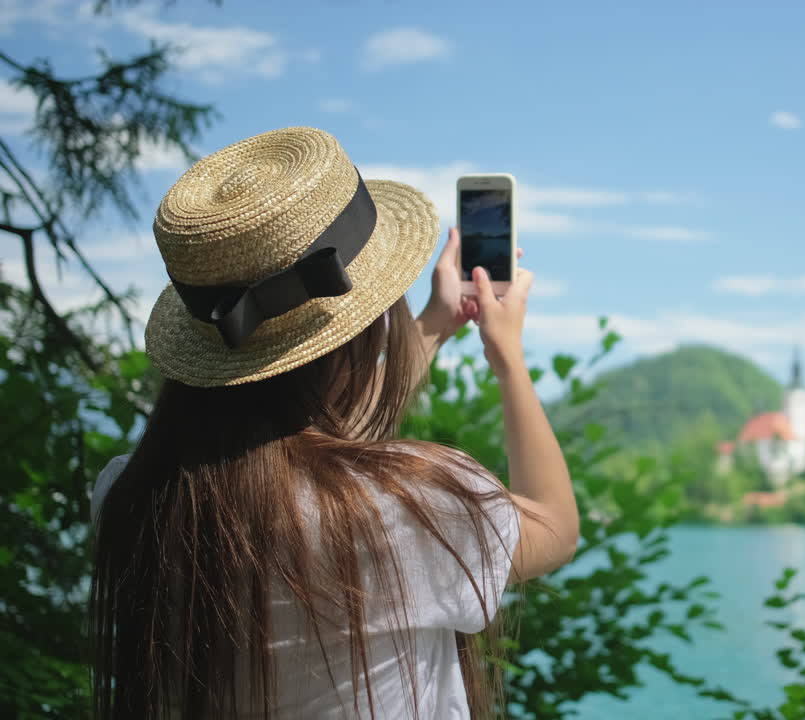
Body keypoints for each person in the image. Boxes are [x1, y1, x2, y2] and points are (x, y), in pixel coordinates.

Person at [89, 127, 579, 720]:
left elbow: (299, 435)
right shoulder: (414, 503)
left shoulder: (129, 497)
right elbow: (554, 525)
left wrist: (432, 324)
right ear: (365, 328)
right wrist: (508, 358)